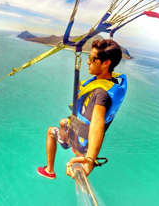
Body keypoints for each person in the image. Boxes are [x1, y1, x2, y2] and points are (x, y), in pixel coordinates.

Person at [37, 39, 127, 179]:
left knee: (50, 131)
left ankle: (49, 170)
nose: (87, 61)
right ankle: (76, 146)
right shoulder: (113, 84)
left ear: (106, 63)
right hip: (84, 132)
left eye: (92, 58)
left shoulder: (101, 95)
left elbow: (97, 123)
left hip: (83, 140)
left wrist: (90, 159)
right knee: (62, 121)